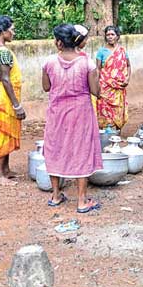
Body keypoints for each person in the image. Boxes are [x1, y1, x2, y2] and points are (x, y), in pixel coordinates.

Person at [42, 24, 103, 213]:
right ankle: (82, 201)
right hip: (81, 113)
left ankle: (55, 195)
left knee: (55, 147)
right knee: (81, 149)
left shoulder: (49, 62)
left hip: (57, 112)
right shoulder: (87, 63)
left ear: (59, 42)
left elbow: (46, 87)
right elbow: (96, 92)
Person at [0, 15, 26, 186]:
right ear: (3, 31)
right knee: (3, 133)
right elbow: (6, 79)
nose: (14, 32)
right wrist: (17, 105)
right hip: (4, 97)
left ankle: (6, 169)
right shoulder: (3, 52)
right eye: (12, 29)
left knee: (6, 131)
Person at [95, 25, 131, 130]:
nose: (110, 37)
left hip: (119, 86)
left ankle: (117, 132)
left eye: (112, 34)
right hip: (105, 86)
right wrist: (97, 85)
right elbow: (98, 69)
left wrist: (127, 79)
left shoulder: (122, 51)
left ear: (117, 36)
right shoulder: (101, 51)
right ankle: (105, 133)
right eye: (107, 35)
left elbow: (128, 65)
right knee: (104, 108)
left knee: (118, 108)